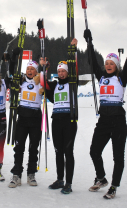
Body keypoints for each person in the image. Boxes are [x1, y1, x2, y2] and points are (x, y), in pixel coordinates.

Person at [84, 28, 127, 199]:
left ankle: (114, 186)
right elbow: (92, 61)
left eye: (112, 63)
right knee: (94, 151)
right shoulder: (101, 76)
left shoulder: (122, 77)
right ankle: (101, 178)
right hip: (104, 120)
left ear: (117, 65)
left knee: (118, 156)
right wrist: (89, 43)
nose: (108, 65)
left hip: (118, 120)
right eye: (107, 63)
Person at [40, 38, 79, 195]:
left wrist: (73, 51)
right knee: (58, 151)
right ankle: (60, 179)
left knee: (68, 151)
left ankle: (68, 182)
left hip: (69, 120)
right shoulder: (55, 85)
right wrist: (44, 67)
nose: (62, 73)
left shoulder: (73, 82)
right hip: (56, 120)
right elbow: (44, 82)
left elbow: (75, 68)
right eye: (60, 71)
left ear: (68, 72)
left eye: (64, 71)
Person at [9, 59, 43, 188]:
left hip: (35, 118)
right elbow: (12, 73)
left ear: (36, 71)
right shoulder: (21, 81)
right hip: (22, 118)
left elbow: (47, 81)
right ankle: (16, 174)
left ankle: (31, 173)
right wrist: (14, 57)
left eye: (32, 69)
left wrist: (45, 67)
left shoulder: (39, 81)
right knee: (19, 148)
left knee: (33, 148)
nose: (29, 71)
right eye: (28, 69)